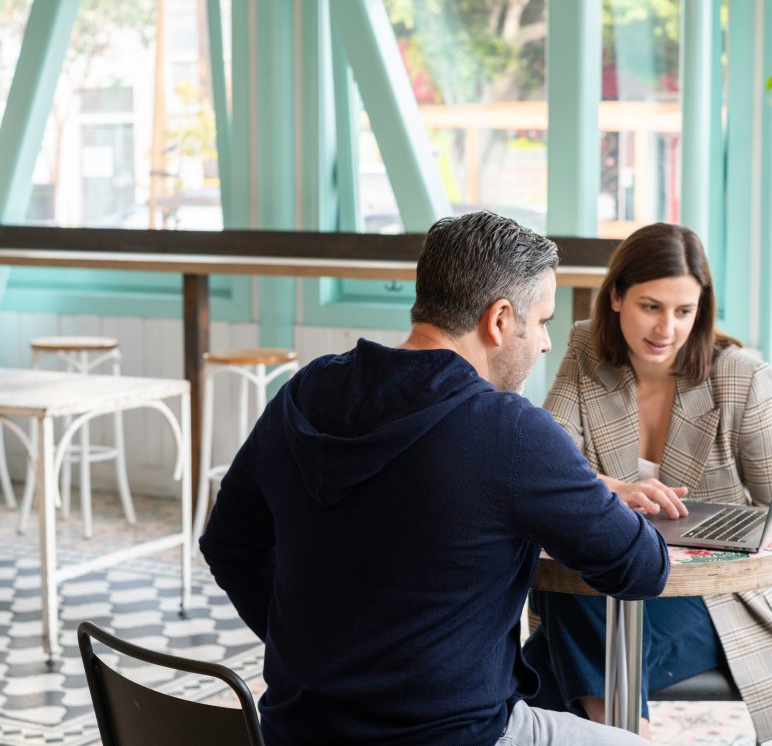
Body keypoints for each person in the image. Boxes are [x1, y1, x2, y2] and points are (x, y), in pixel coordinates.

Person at [199, 210, 670, 746]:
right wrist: (589, 488)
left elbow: (227, 544)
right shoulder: (510, 431)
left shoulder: (304, 392)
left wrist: (316, 658)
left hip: (298, 732)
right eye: (541, 321)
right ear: (498, 320)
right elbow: (641, 568)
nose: (544, 343)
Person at [524, 223, 772, 742]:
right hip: (611, 583)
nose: (667, 329)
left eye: (685, 311)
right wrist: (611, 487)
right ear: (616, 297)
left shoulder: (741, 377)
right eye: (652, 306)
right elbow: (549, 465)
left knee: (529, 670)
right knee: (577, 604)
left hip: (716, 600)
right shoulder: (586, 350)